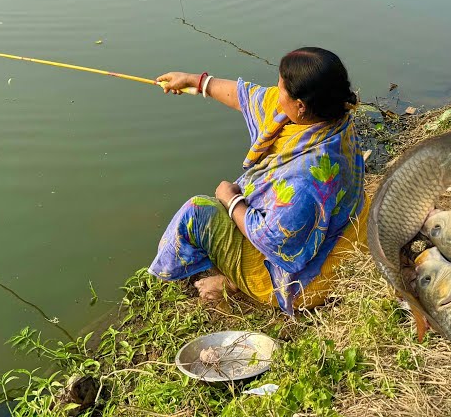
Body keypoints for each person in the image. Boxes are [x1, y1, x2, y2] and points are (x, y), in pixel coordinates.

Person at [148, 48, 365, 313]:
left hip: (299, 280)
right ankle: (230, 276)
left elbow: (274, 240)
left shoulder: (307, 175)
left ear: (300, 105)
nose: (276, 92)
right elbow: (250, 97)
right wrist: (195, 81)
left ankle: (217, 281)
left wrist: (231, 200)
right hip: (340, 236)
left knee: (196, 213)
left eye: (281, 88)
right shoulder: (332, 115)